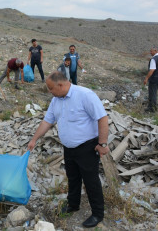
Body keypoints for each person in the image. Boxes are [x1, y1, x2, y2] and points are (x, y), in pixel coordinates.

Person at [28, 71, 109, 228]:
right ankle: (73, 204)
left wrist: (103, 144)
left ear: (60, 84)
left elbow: (102, 118)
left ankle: (98, 214)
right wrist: (34, 139)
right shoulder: (56, 100)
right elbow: (47, 121)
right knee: (73, 178)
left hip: (87, 147)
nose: (49, 91)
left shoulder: (85, 95)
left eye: (51, 88)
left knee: (91, 181)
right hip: (69, 148)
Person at [143, 46, 158, 112]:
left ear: (155, 51)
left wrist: (146, 78)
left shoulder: (154, 59)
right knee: (154, 93)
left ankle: (152, 108)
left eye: (151, 51)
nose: (150, 52)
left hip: (154, 79)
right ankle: (153, 107)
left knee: (152, 94)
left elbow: (152, 70)